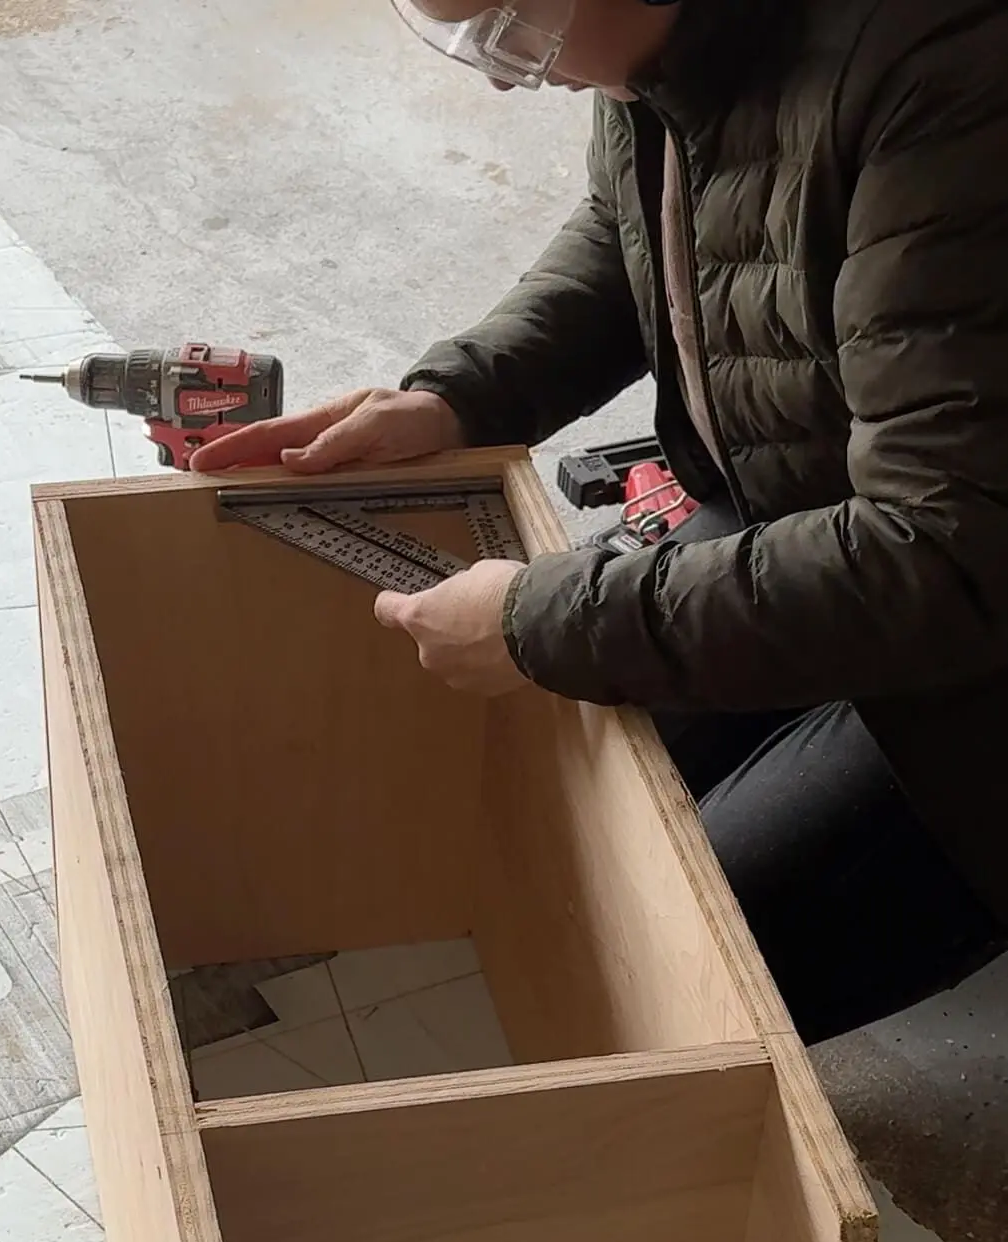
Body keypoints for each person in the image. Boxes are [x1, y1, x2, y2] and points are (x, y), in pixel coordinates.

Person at [193, 0, 1008, 1044]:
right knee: (558, 811)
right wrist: (458, 397)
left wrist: (544, 617)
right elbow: (643, 231)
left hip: (964, 630)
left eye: (509, 35)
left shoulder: (947, 76)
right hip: (818, 518)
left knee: (656, 969)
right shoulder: (663, 53)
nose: (499, 82)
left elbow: (939, 560)